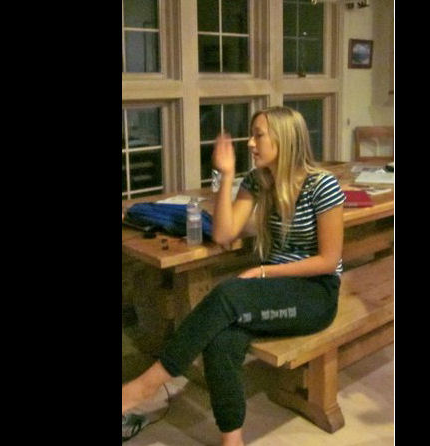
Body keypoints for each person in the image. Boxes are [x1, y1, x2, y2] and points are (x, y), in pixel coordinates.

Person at [122, 106, 345, 445]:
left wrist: (265, 271)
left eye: (259, 135)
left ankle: (142, 387)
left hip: (316, 292)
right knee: (222, 336)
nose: (250, 143)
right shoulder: (258, 180)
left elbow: (329, 261)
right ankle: (232, 439)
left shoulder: (322, 185)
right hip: (275, 287)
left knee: (227, 295)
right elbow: (224, 233)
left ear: (284, 139)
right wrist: (226, 177)